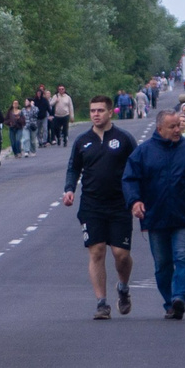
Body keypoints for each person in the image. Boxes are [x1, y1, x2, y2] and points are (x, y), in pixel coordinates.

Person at [60, 96, 137, 317]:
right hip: (91, 204)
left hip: (119, 204)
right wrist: (69, 189)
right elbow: (73, 168)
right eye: (93, 110)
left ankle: (123, 287)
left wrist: (138, 197)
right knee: (97, 251)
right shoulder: (82, 141)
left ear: (110, 112)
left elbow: (137, 166)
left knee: (121, 254)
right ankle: (101, 303)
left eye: (100, 110)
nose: (96, 114)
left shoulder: (124, 139)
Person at [123, 107, 185, 318]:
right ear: (159, 129)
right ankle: (169, 302)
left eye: (179, 125)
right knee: (162, 263)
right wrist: (135, 201)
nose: (177, 130)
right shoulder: (143, 152)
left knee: (182, 256)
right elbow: (130, 179)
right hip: (155, 216)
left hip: (184, 214)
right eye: (172, 126)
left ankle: (179, 296)